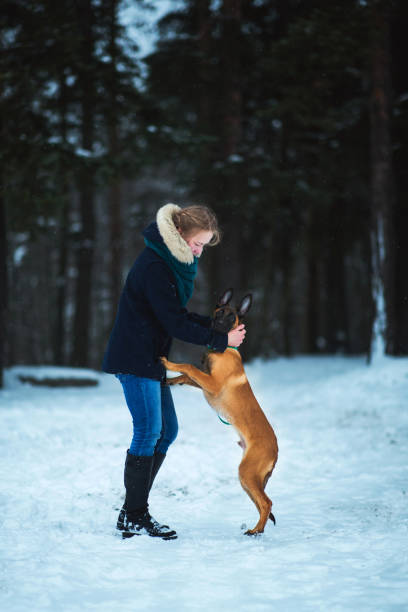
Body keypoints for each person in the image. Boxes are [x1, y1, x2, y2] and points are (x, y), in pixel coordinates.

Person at [102, 203, 246, 540]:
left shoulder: (170, 261)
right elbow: (173, 322)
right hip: (134, 357)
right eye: (197, 244)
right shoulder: (155, 265)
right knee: (149, 430)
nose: (199, 251)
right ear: (179, 234)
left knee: (167, 431)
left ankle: (132, 510)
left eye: (204, 246)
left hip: (151, 357)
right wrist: (219, 338)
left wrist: (214, 327)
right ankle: (135, 515)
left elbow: (174, 314)